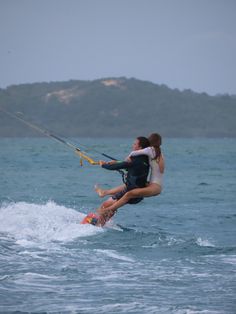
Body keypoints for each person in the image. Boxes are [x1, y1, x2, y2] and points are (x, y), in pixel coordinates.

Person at [95, 133, 164, 224]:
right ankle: (100, 221)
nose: (132, 145)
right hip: (143, 185)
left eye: (135, 144)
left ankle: (103, 215)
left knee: (126, 195)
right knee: (108, 202)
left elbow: (131, 160)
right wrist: (118, 162)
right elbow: (130, 165)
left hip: (148, 188)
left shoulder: (149, 151)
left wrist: (104, 165)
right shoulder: (151, 155)